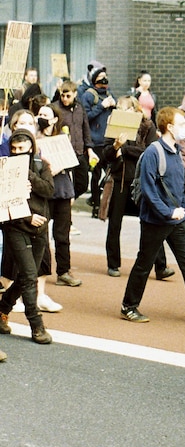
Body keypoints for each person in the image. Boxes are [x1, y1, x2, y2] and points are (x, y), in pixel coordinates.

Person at [119, 107, 185, 325]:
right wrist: (169, 212)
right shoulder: (153, 152)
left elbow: (176, 190)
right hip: (155, 221)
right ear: (169, 127)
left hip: (177, 219)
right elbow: (149, 191)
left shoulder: (176, 151)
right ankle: (128, 306)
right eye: (182, 124)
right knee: (144, 263)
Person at [102, 96, 172, 279]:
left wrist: (123, 149)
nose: (120, 112)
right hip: (120, 179)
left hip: (142, 181)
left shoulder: (147, 126)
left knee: (151, 222)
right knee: (114, 223)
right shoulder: (114, 126)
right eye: (118, 108)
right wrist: (115, 146)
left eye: (124, 109)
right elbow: (106, 153)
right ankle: (113, 263)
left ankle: (160, 266)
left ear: (135, 110)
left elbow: (149, 150)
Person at [0, 129, 54, 344]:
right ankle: (36, 325)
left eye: (21, 149)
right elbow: (5, 206)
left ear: (31, 147)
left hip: (40, 229)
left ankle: (3, 308)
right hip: (16, 227)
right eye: (14, 149)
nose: (17, 153)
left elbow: (49, 190)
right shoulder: (4, 169)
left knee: (25, 277)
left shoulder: (42, 165)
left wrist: (28, 174)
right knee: (30, 275)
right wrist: (28, 218)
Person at [36, 103, 83, 292]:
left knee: (62, 235)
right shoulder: (35, 138)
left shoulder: (62, 138)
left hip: (62, 191)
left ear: (55, 119)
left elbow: (72, 163)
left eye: (46, 114)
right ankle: (40, 271)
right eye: (39, 113)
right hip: (44, 193)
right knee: (42, 235)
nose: (42, 117)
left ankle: (64, 272)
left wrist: (60, 167)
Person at [52, 80, 98, 208]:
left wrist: (89, 149)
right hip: (64, 152)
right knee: (67, 184)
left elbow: (85, 128)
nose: (65, 99)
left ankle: (70, 200)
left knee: (82, 184)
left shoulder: (79, 108)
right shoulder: (56, 108)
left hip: (79, 151)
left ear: (75, 94)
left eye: (68, 96)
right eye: (63, 95)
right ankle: (66, 211)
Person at [79, 66, 117, 215]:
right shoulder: (89, 95)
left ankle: (105, 205)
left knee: (110, 173)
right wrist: (101, 106)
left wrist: (114, 106)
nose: (104, 79)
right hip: (95, 142)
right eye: (100, 76)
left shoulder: (109, 94)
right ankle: (95, 204)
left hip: (108, 140)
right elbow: (85, 117)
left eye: (105, 76)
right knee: (95, 175)